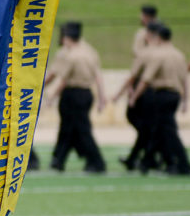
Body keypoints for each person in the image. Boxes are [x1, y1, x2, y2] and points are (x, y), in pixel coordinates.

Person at [44, 22, 107, 172]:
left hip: (72, 94)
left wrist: (51, 95)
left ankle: (96, 161)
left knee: (80, 129)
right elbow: (98, 76)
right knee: (70, 128)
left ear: (67, 38)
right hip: (86, 93)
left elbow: (62, 79)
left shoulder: (70, 55)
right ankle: (59, 159)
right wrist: (101, 97)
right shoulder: (90, 51)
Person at [129, 24, 190, 175]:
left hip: (161, 95)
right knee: (159, 129)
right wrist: (185, 100)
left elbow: (146, 79)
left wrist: (134, 96)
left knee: (168, 131)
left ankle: (183, 164)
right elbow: (185, 80)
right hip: (174, 95)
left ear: (158, 38)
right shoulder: (179, 54)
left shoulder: (158, 55)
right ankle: (148, 161)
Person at [114, 21, 159, 170]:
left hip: (147, 93)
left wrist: (126, 94)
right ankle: (143, 157)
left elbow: (137, 77)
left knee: (147, 128)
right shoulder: (164, 52)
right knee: (149, 129)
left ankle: (149, 156)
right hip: (158, 93)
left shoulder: (146, 53)